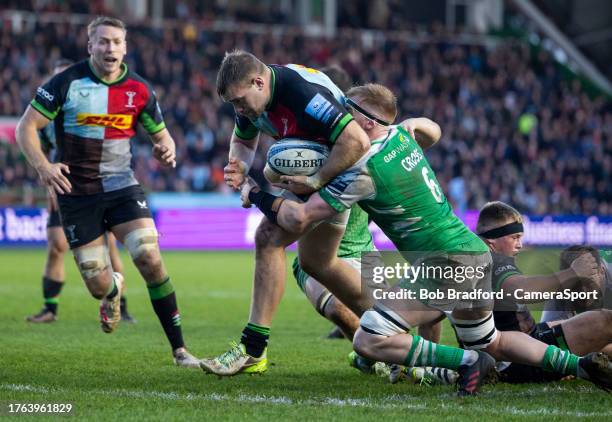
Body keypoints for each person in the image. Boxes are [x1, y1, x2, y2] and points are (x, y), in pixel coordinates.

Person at [240, 83, 612, 394]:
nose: (340, 121)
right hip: (473, 254)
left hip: (444, 265)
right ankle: (580, 366)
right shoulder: (404, 136)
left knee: (369, 339)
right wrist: (410, 124)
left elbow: (299, 217)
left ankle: (466, 363)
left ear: (367, 122)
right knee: (491, 340)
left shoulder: (363, 170)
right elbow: (432, 128)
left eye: (347, 113)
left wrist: (255, 191)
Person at [15, 16, 198, 367]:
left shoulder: (140, 90)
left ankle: (180, 349)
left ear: (125, 47)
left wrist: (167, 147)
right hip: (77, 193)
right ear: (90, 46)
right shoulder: (65, 83)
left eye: (116, 41)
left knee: (149, 257)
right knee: (98, 286)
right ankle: (112, 291)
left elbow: (161, 134)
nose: (110, 47)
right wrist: (43, 166)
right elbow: (26, 127)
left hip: (122, 186)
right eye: (102, 41)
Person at [200, 50, 372, 376]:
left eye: (239, 101)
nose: (238, 109)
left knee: (273, 238)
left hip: (350, 171)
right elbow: (244, 137)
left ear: (258, 81)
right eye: (232, 105)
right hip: (328, 172)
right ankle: (391, 332)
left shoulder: (299, 93)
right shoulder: (252, 99)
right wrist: (238, 165)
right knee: (315, 263)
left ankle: (253, 349)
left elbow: (357, 141)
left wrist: (316, 179)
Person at [392, 202, 612, 386]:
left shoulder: (470, 262)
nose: (520, 244)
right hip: (520, 359)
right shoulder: (493, 262)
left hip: (524, 343)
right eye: (514, 237)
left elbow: (432, 317)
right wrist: (572, 273)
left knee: (602, 347)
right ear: (492, 242)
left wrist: (423, 363)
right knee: (605, 322)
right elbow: (521, 292)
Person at [26, 59, 135, 324]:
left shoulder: (90, 111)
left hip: (96, 187)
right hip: (63, 187)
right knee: (55, 245)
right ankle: (50, 309)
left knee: (110, 247)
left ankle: (120, 304)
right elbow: (39, 150)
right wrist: (48, 181)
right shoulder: (46, 118)